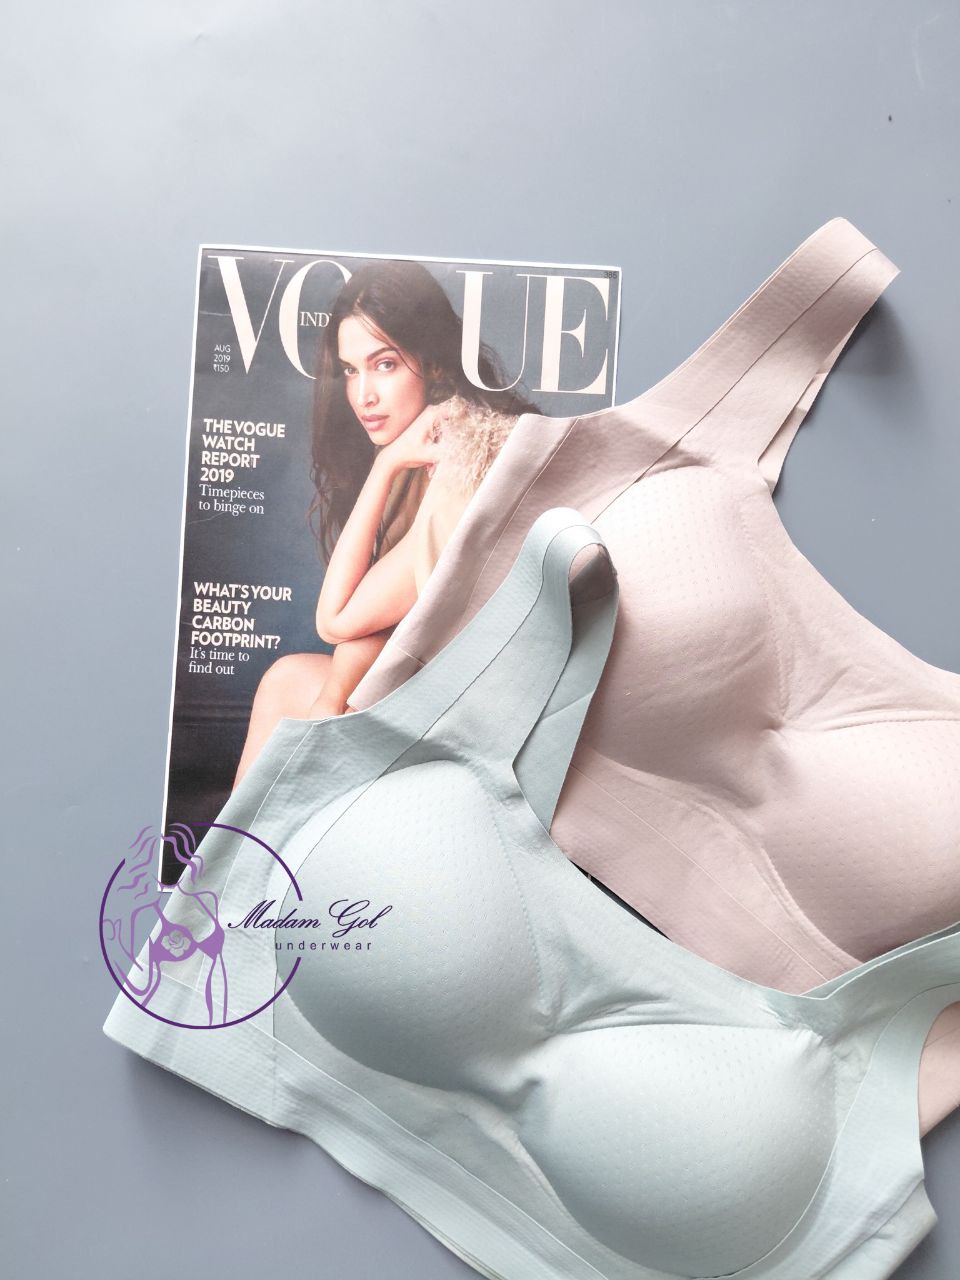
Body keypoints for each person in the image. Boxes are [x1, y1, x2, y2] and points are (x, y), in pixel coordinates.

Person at [232, 260, 537, 786]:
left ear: (433, 363)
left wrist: (386, 464)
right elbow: (381, 625)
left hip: (475, 717)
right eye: (351, 370)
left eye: (385, 364)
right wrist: (389, 463)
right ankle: (234, 844)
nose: (363, 395)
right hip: (430, 689)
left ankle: (247, 841)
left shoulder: (465, 462)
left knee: (298, 689)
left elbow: (337, 620)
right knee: (285, 681)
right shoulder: (419, 446)